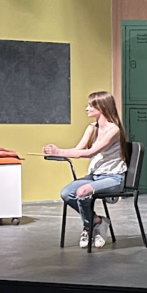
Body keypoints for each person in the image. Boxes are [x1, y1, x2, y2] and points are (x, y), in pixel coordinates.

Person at [43, 91, 128, 249]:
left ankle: (88, 227)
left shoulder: (114, 130)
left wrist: (60, 151)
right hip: (94, 176)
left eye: (91, 105)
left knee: (82, 192)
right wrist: (55, 151)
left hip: (113, 178)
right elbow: (78, 150)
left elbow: (90, 152)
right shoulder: (92, 128)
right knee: (66, 193)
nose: (86, 108)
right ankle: (98, 221)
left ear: (101, 107)